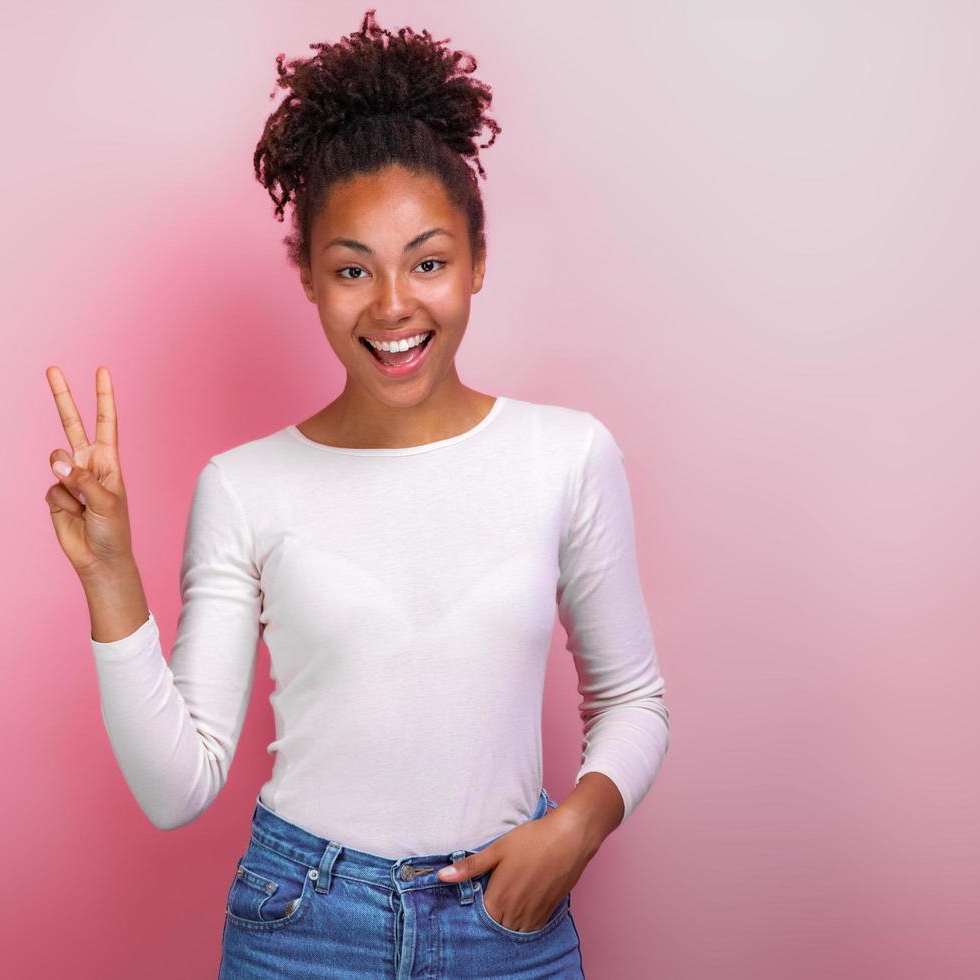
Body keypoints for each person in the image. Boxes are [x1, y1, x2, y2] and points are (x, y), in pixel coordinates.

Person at [43, 10, 669, 978]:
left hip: (506, 921)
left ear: (476, 262)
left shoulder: (565, 455)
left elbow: (631, 698)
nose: (390, 306)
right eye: (350, 269)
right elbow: (177, 787)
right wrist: (112, 577)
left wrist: (577, 824)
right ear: (306, 275)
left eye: (426, 261)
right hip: (302, 923)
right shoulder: (245, 486)